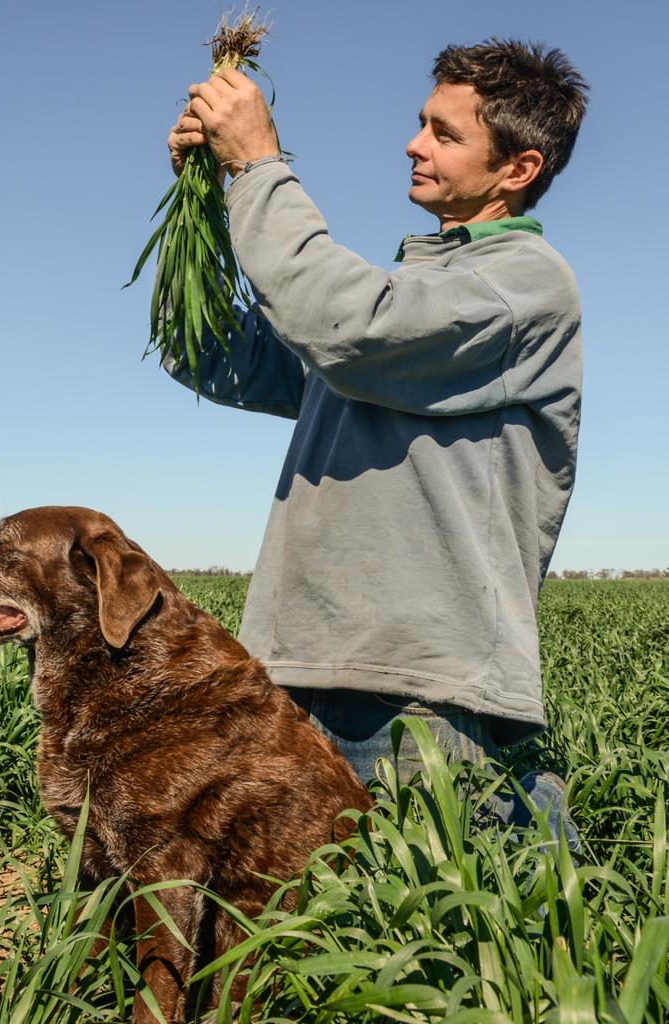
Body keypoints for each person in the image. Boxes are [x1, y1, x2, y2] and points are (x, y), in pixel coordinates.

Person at [165, 39, 588, 847]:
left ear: (518, 168)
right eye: (420, 122)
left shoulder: (524, 284)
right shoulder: (417, 293)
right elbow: (222, 356)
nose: (413, 142)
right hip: (297, 671)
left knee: (429, 951)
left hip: (412, 693)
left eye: (444, 132)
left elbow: (348, 326)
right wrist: (202, 196)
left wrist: (259, 167)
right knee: (295, 950)